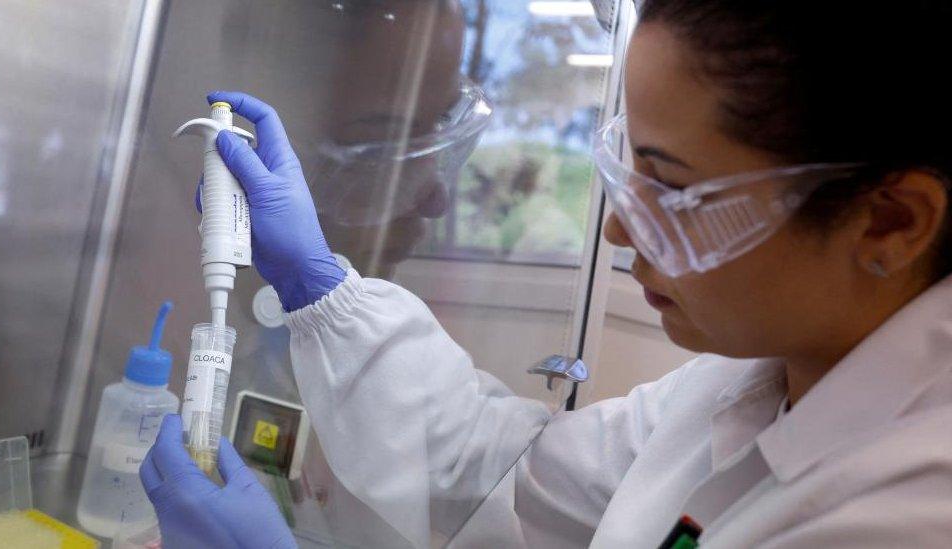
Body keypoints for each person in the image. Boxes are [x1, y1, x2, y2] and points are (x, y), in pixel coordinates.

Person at [142, 0, 952, 547]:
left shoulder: (910, 510)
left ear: (891, 220)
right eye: (631, 174)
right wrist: (321, 288)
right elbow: (503, 471)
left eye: (674, 188)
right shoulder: (745, 382)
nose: (620, 226)